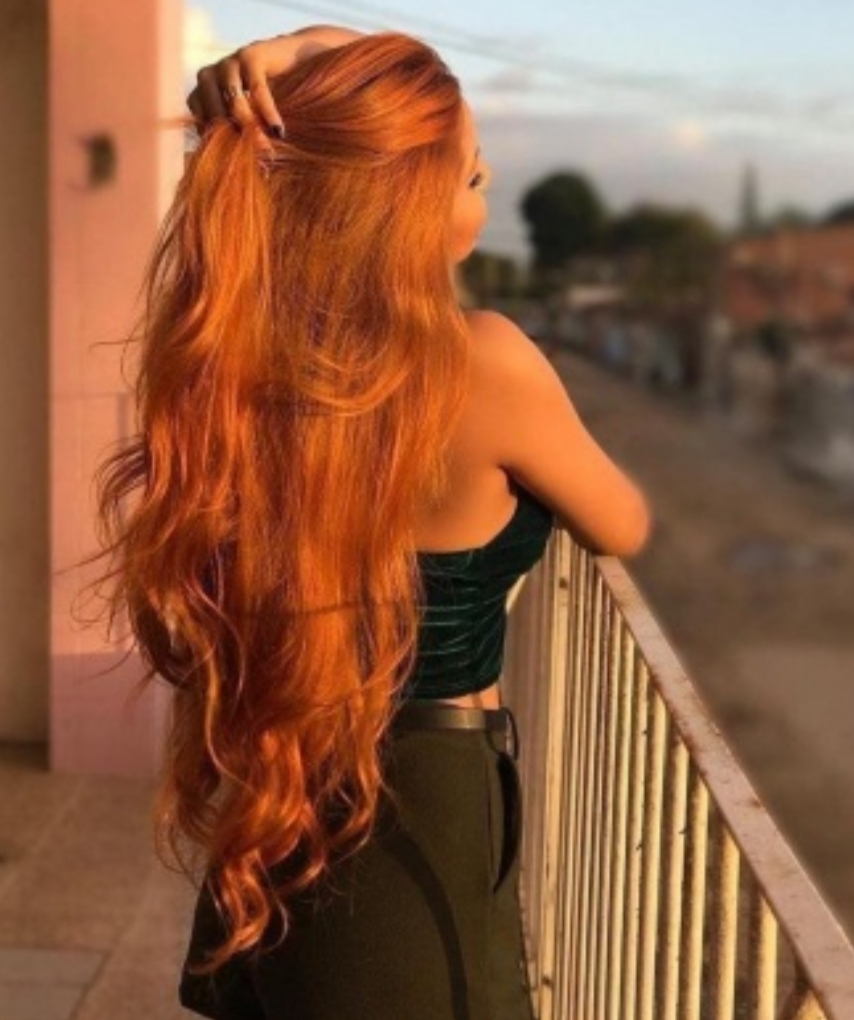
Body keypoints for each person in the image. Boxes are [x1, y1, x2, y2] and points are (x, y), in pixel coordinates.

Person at [89, 24, 652, 1020]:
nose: (483, 192)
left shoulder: (243, 365)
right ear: (408, 206)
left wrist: (315, 48)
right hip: (421, 795)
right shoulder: (484, 361)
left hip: (281, 755)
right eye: (468, 175)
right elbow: (625, 522)